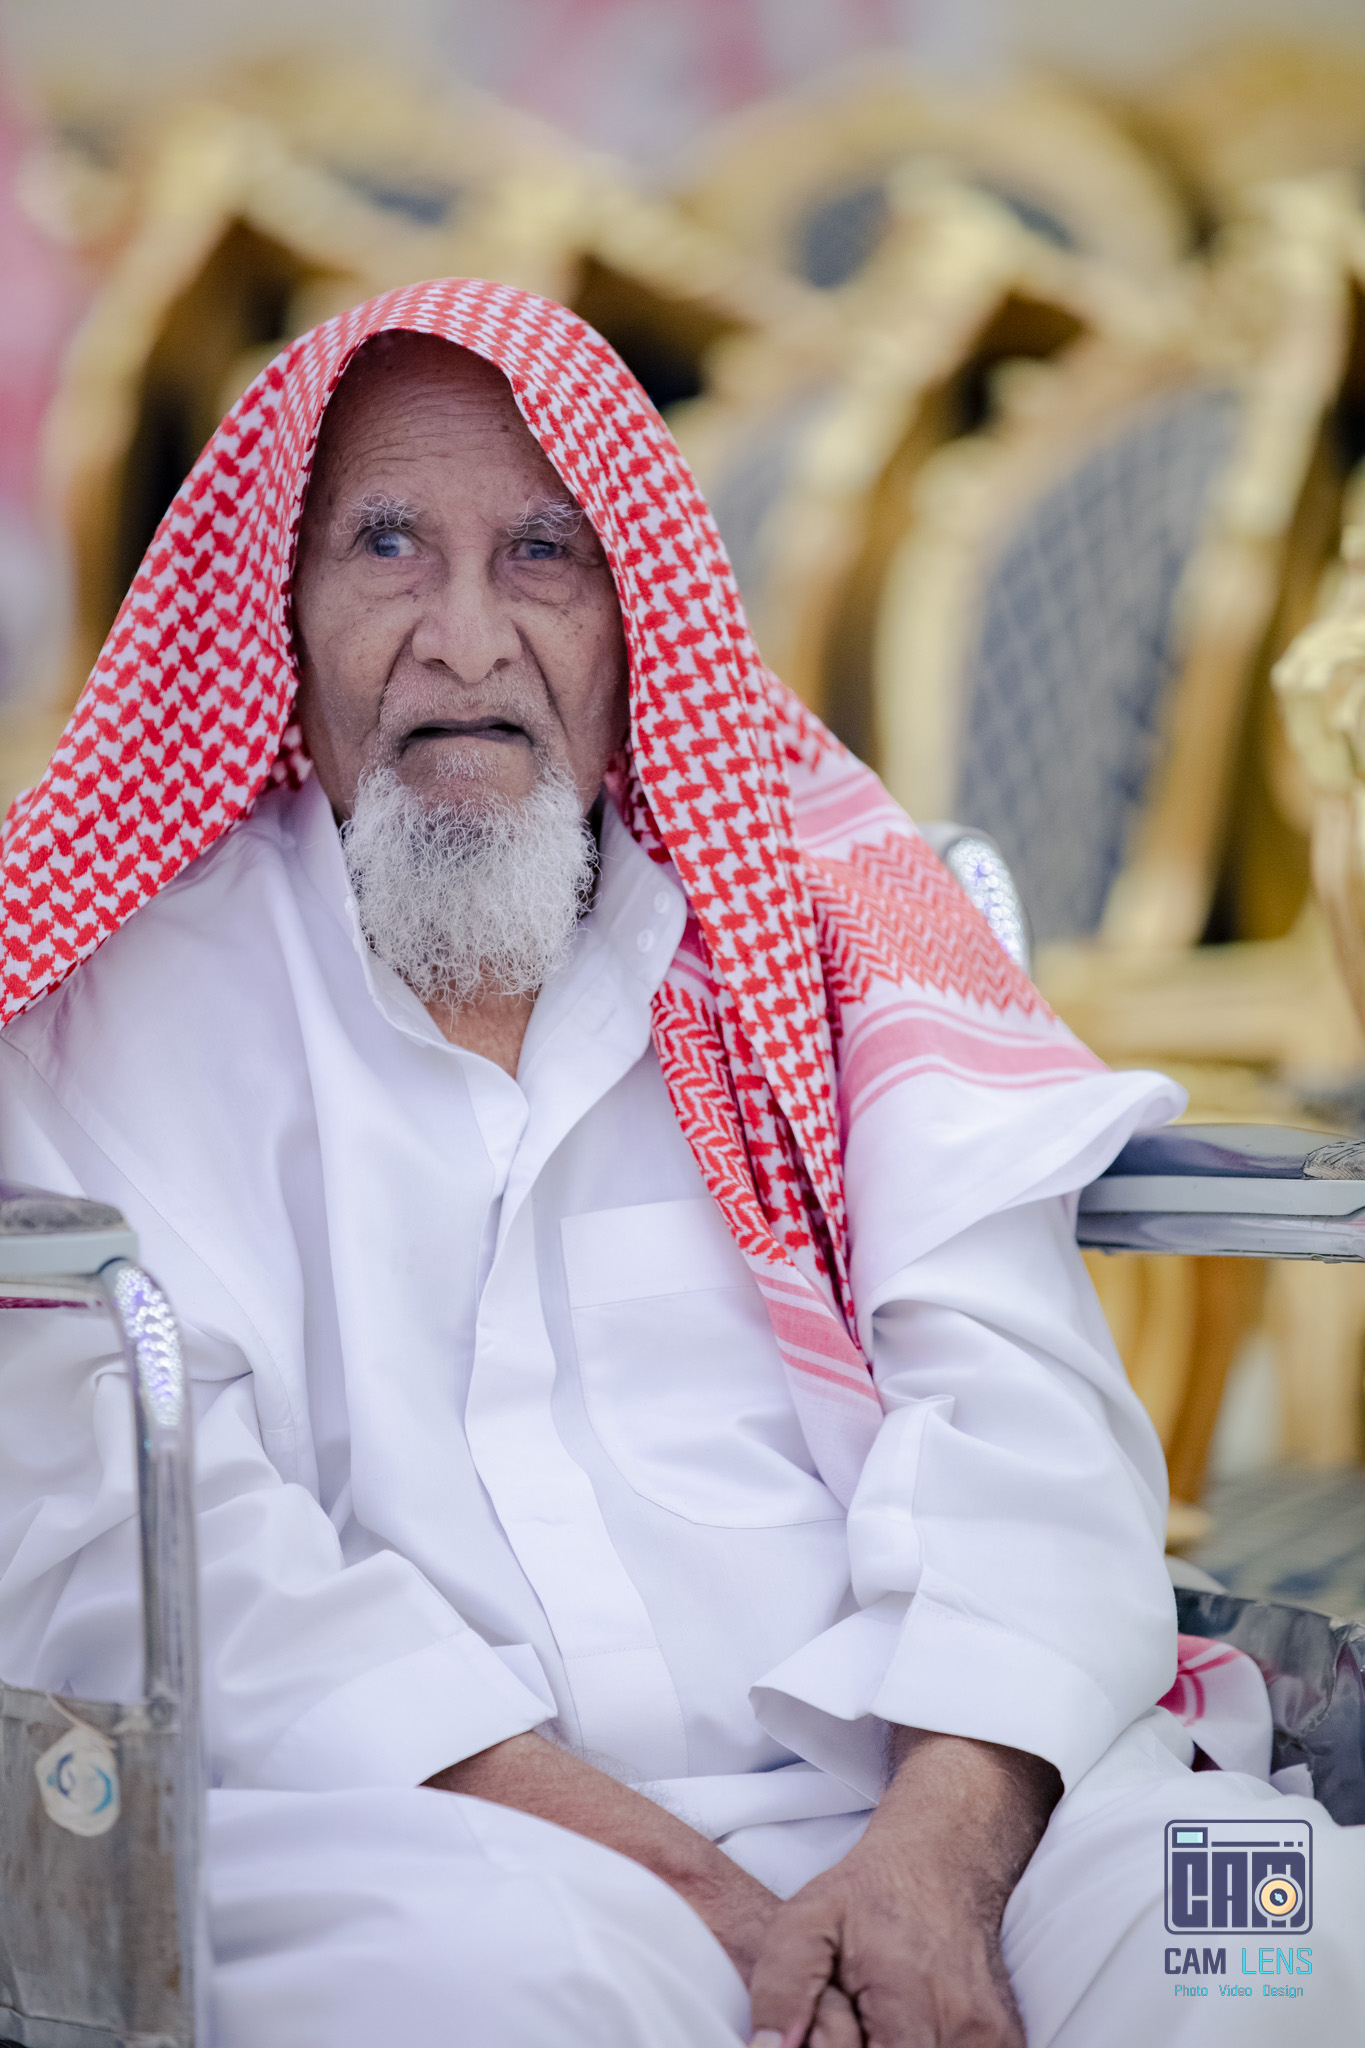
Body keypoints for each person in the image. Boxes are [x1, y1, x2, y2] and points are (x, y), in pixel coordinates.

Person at [0, 281, 1359, 2047]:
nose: (465, 640)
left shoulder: (820, 927)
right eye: (387, 547)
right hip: (428, 1832)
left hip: (956, 1791)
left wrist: (931, 1865)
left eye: (543, 555)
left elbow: (1021, 1421)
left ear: (632, 613)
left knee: (1272, 1944)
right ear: (281, 608)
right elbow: (146, 1552)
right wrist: (719, 1911)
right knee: (521, 2001)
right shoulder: (115, 1012)